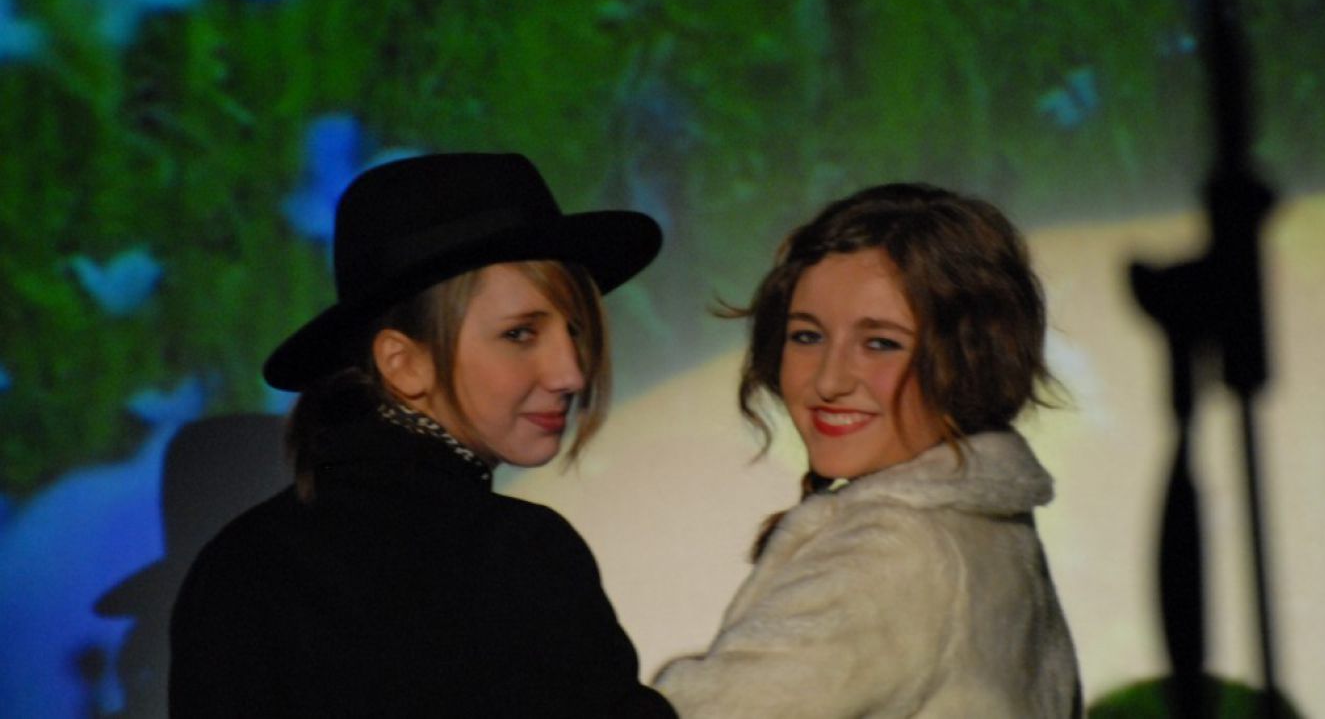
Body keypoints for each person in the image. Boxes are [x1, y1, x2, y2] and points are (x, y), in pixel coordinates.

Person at [169, 153, 675, 718]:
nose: (570, 373)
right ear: (403, 362)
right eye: (520, 334)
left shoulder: (236, 563)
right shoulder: (515, 553)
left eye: (574, 330)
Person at [655, 182, 1081, 718]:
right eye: (806, 336)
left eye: (880, 343)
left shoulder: (900, 548)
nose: (829, 381)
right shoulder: (985, 529)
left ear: (970, 360)